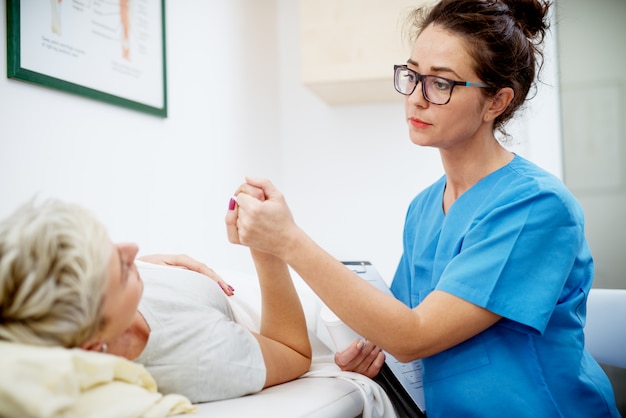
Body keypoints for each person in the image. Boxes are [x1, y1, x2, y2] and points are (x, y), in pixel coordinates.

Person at [226, 0, 621, 416]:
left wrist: (288, 240)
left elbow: (413, 334)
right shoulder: (424, 209)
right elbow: (399, 335)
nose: (416, 98)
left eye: (441, 84)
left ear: (496, 103)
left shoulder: (537, 207)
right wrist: (374, 357)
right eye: (412, 75)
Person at [0, 198, 312, 403]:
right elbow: (294, 350)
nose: (133, 249)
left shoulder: (91, 302)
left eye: (109, 243)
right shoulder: (206, 357)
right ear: (94, 346)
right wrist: (267, 249)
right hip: (300, 305)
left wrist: (141, 268)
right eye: (123, 269)